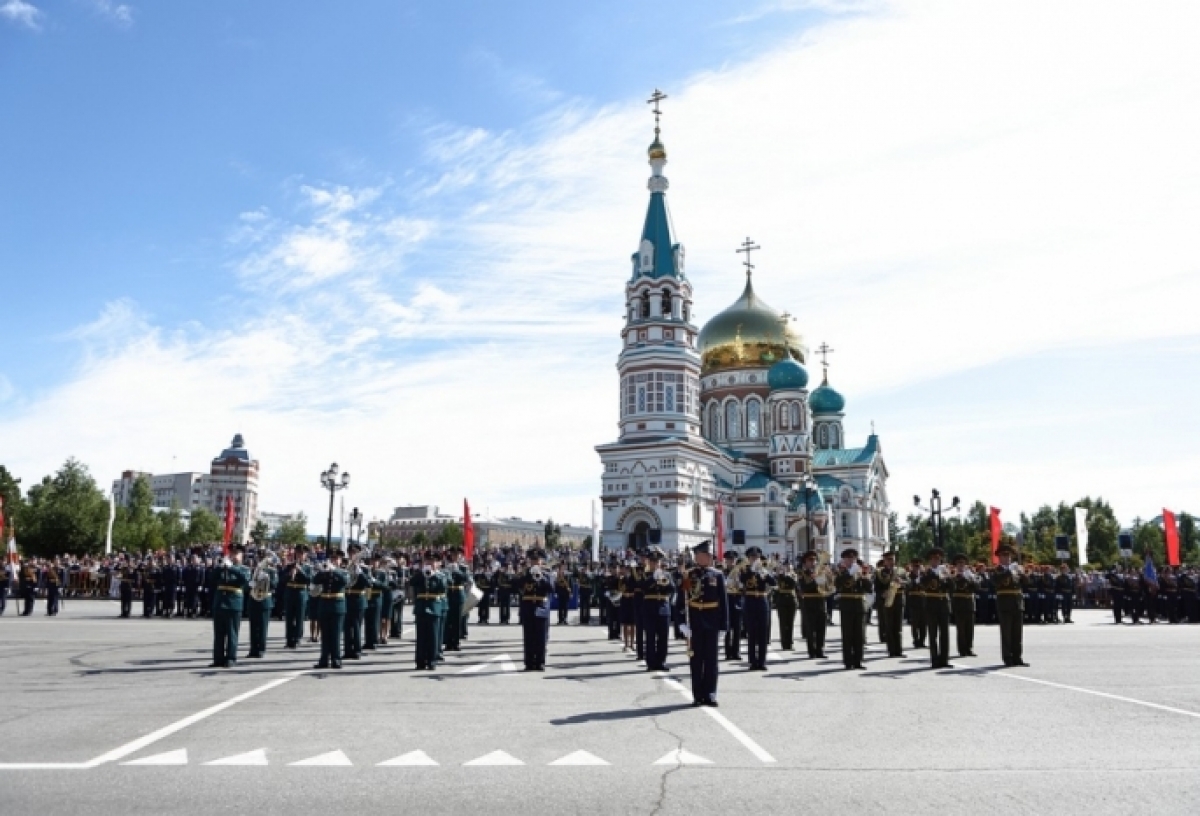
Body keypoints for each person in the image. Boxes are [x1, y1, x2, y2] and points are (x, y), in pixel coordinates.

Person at [681, 540, 728, 707]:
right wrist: (681, 624)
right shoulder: (689, 575)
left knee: (711, 660)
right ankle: (698, 694)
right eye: (705, 555)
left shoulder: (717, 575)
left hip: (712, 620)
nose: (708, 558)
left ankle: (710, 693)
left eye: (709, 555)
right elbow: (682, 600)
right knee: (696, 659)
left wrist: (724, 626)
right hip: (695, 621)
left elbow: (723, 602)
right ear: (697, 557)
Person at [208, 546, 251, 669]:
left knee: (232, 633)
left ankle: (231, 658)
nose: (233, 555)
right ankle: (218, 659)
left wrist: (231, 568)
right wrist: (219, 567)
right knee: (219, 633)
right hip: (220, 602)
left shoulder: (244, 569)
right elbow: (211, 579)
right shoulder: (223, 567)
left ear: (242, 555)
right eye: (232, 552)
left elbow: (245, 581)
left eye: (236, 553)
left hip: (234, 604)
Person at [311, 550, 350, 670]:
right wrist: (323, 571)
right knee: (325, 635)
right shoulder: (325, 571)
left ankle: (336, 659)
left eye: (336, 559)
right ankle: (324, 659)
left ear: (340, 560)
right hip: (324, 604)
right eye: (332, 558)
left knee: (335, 634)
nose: (334, 560)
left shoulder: (343, 571)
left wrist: (334, 570)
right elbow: (315, 580)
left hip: (337, 606)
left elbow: (345, 582)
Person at [739, 547, 776, 671]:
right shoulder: (744, 569)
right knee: (752, 633)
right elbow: (742, 580)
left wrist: (765, 574)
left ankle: (762, 661)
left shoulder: (763, 570)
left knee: (762, 633)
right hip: (749, 601)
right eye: (753, 557)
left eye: (757, 557)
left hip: (762, 601)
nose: (755, 559)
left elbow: (773, 583)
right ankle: (752, 661)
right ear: (748, 559)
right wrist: (751, 571)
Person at [992, 545, 1029, 667]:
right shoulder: (997, 570)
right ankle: (1007, 657)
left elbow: (1027, 583)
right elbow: (996, 581)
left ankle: (1017, 657)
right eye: (1004, 556)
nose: (1007, 558)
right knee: (1006, 633)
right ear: (999, 557)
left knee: (1017, 632)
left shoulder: (1016, 568)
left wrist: (1023, 574)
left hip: (1017, 603)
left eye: (1008, 556)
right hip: (1005, 604)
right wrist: (1009, 571)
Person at [834, 548, 869, 670]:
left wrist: (865, 577)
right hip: (847, 605)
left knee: (859, 635)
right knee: (847, 635)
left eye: (852, 558)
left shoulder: (860, 572)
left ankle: (858, 661)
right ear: (844, 560)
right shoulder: (840, 573)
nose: (850, 560)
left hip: (859, 605)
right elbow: (838, 584)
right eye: (848, 558)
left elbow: (869, 588)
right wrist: (849, 573)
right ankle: (848, 661)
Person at [640, 548, 675, 671]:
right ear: (649, 562)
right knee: (650, 637)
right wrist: (653, 579)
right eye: (653, 561)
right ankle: (651, 663)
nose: (655, 564)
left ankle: (661, 661)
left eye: (657, 561)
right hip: (650, 607)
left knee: (663, 637)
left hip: (664, 608)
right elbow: (642, 587)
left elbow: (672, 589)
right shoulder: (644, 574)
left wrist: (664, 582)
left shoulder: (667, 574)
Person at [411, 555, 448, 671]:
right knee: (421, 636)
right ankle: (420, 661)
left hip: (434, 606)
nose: (430, 563)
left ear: (437, 563)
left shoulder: (441, 575)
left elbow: (443, 587)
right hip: (421, 607)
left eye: (433, 561)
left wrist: (434, 575)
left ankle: (432, 661)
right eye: (428, 561)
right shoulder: (420, 574)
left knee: (433, 636)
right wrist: (421, 574)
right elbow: (412, 582)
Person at [518, 549, 553, 671]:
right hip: (528, 607)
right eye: (533, 560)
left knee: (541, 637)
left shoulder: (547, 573)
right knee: (528, 636)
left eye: (537, 560)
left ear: (541, 561)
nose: (535, 563)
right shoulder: (525, 573)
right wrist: (528, 575)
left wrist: (541, 578)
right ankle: (529, 663)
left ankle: (540, 662)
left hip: (541, 607)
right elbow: (516, 585)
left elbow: (551, 588)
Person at [921, 548, 951, 669]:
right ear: (930, 560)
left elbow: (951, 587)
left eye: (938, 559)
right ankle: (934, 660)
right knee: (932, 633)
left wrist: (947, 577)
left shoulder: (945, 572)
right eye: (933, 559)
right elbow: (922, 583)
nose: (936, 561)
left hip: (943, 603)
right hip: (931, 603)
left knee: (945, 633)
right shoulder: (926, 572)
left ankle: (944, 659)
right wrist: (934, 575)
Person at [873, 550, 906, 658]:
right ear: (884, 561)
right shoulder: (880, 572)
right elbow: (877, 588)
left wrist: (902, 582)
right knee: (889, 626)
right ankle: (891, 650)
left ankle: (899, 650)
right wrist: (883, 594)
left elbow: (909, 583)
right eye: (888, 560)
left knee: (898, 626)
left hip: (899, 599)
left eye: (892, 559)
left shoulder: (901, 571)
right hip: (887, 601)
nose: (891, 561)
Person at [245, 554, 276, 659]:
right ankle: (253, 649)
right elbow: (247, 585)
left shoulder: (272, 571)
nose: (260, 561)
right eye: (260, 559)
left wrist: (267, 579)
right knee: (253, 627)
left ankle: (261, 649)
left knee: (262, 627)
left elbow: (275, 584)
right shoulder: (254, 570)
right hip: (253, 599)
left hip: (265, 600)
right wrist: (251, 583)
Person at [797, 551, 828, 659]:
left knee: (821, 627)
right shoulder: (802, 573)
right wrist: (816, 581)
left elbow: (828, 586)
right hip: (809, 602)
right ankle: (812, 651)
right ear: (805, 562)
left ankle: (820, 650)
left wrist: (827, 580)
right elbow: (804, 587)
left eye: (814, 560)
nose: (813, 562)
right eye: (810, 560)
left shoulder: (820, 572)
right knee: (811, 628)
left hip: (821, 601)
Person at [283, 546, 312, 649]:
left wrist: (300, 571)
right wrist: (290, 574)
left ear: (305, 555)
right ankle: (289, 639)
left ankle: (297, 638)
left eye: (302, 553)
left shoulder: (308, 567)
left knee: (299, 617)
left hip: (301, 593)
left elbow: (309, 580)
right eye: (298, 553)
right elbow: (282, 579)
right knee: (289, 617)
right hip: (290, 592)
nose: (300, 555)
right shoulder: (290, 566)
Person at [949, 554, 978, 658]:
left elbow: (977, 586)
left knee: (970, 628)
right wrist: (958, 577)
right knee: (961, 628)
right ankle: (962, 649)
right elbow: (951, 587)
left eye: (963, 563)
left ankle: (969, 648)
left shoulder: (970, 574)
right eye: (959, 563)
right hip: (959, 602)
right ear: (956, 565)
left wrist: (972, 578)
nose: (961, 565)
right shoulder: (953, 575)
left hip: (969, 602)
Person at [774, 564, 800, 651]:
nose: (787, 568)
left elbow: (793, 584)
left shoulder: (794, 575)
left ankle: (790, 642)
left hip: (791, 600)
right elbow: (776, 583)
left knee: (790, 622)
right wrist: (781, 574)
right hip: (781, 600)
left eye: (789, 567)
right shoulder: (779, 575)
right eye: (786, 567)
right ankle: (784, 642)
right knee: (783, 622)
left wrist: (787, 575)